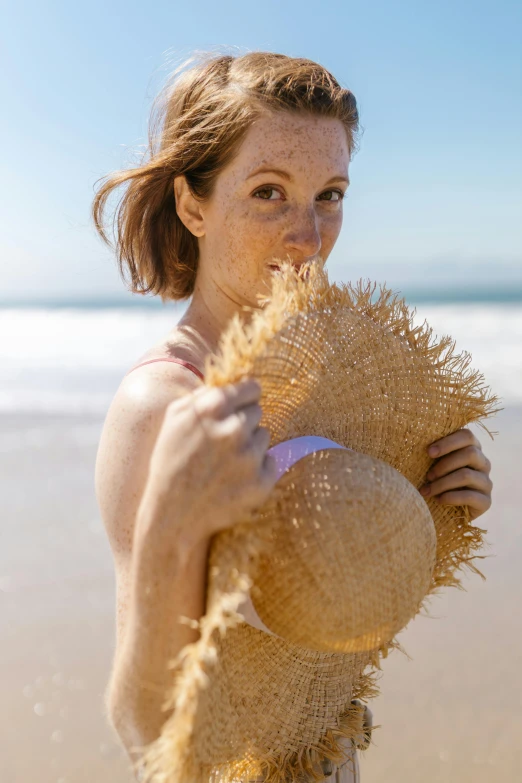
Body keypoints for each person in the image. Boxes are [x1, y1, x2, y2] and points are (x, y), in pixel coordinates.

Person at [92, 51, 494, 782]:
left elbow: (311, 629)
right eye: (269, 192)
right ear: (193, 206)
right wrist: (167, 529)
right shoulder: (164, 406)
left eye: (330, 194)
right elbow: (139, 725)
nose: (309, 236)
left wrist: (422, 515)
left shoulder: (317, 378)